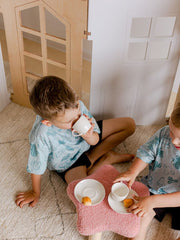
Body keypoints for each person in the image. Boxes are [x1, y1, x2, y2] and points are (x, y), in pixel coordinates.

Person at [15, 75, 135, 208]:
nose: (77, 120)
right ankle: (104, 159)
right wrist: (35, 192)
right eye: (69, 121)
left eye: (78, 113)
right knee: (84, 196)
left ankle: (93, 158)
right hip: (69, 163)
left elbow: (94, 140)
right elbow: (36, 166)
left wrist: (88, 134)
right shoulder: (41, 135)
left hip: (87, 141)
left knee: (129, 125)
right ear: (48, 122)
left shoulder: (75, 106)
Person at [114, 104, 180, 240]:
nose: (173, 140)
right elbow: (146, 153)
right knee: (137, 216)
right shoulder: (163, 133)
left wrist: (153, 201)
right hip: (155, 188)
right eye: (172, 132)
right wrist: (132, 172)